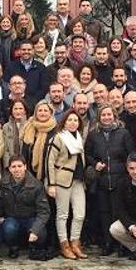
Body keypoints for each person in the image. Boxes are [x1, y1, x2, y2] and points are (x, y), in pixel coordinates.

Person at [86, 104, 136, 255]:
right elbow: (87, 154)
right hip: (101, 180)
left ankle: (122, 244)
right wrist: (95, 164)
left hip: (120, 179)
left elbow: (131, 154)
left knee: (119, 212)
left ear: (114, 116)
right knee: (104, 213)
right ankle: (107, 243)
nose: (106, 118)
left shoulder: (123, 133)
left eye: (109, 115)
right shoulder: (94, 135)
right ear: (99, 117)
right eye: (103, 115)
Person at [47, 110, 88, 260]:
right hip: (62, 180)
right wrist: (51, 184)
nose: (72, 123)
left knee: (80, 214)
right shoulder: (59, 138)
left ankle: (75, 242)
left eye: (75, 120)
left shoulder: (79, 138)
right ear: (64, 122)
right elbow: (49, 161)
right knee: (62, 214)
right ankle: (64, 244)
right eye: (69, 120)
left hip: (78, 180)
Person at [0, 156, 51, 260]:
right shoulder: (3, 184)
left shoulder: (36, 185)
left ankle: (34, 248)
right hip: (12, 218)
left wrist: (35, 229)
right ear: (9, 169)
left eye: (19, 166)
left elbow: (44, 211)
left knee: (40, 233)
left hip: (31, 218)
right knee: (9, 228)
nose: (17, 169)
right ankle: (13, 248)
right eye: (13, 166)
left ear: (25, 167)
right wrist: (0, 216)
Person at [21, 102, 57, 182]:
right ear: (35, 113)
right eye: (40, 110)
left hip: (49, 174)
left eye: (45, 111)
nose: (42, 113)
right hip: (29, 173)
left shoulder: (56, 131)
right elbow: (24, 152)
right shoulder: (29, 127)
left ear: (51, 113)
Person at [8, 41, 49, 106]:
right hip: (14, 103)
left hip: (35, 103)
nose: (26, 52)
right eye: (23, 49)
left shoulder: (41, 67)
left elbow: (44, 88)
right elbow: (7, 84)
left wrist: (33, 101)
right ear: (19, 51)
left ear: (33, 51)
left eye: (29, 50)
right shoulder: (11, 66)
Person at [2, 100, 28, 169]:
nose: (18, 111)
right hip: (10, 164)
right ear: (11, 111)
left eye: (20, 108)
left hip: (26, 164)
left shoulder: (30, 126)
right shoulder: (6, 127)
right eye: (15, 109)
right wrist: (8, 166)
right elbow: (5, 149)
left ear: (25, 111)